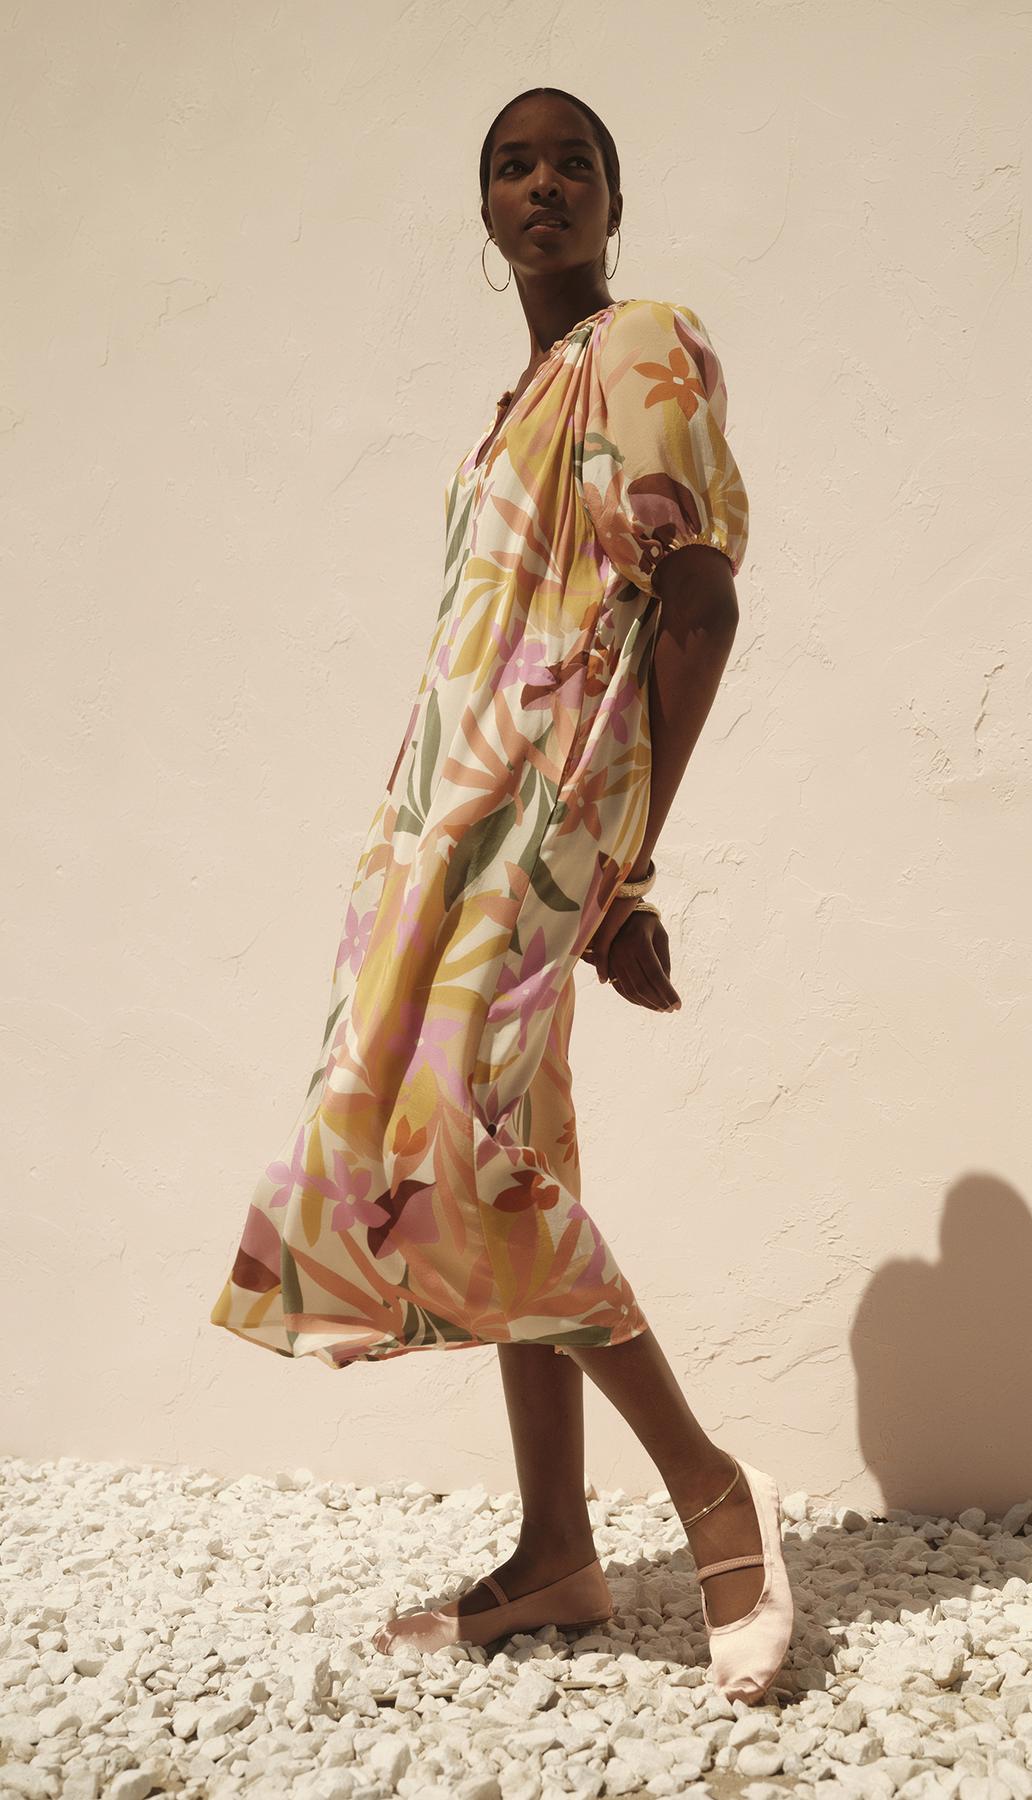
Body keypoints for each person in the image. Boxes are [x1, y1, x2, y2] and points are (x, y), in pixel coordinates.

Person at [210, 85, 792, 1703]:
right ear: (485, 214)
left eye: (573, 164)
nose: (543, 185)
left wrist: (621, 864)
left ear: (615, 199)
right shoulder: (512, 403)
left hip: (545, 824)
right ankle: (556, 1552)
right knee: (506, 1146)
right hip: (437, 837)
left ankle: (708, 1488)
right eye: (512, 167)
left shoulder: (643, 344)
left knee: (446, 1152)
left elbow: (701, 605)